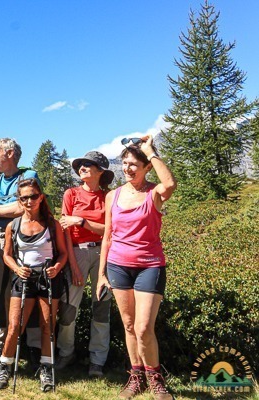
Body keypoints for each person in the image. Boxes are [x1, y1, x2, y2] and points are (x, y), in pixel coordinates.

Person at [97, 136, 176, 400]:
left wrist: (150, 151)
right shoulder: (112, 196)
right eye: (125, 163)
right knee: (129, 325)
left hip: (149, 266)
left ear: (146, 167)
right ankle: (136, 377)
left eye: (134, 164)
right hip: (118, 265)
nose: (129, 168)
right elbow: (107, 235)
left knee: (143, 328)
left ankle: (155, 378)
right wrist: (101, 275)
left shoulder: (154, 193)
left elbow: (171, 183)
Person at [0, 178, 68, 392]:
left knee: (48, 326)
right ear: (19, 199)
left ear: (41, 197)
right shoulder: (13, 225)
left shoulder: (52, 224)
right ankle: (4, 366)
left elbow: (62, 254)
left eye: (33, 196)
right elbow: (7, 255)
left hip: (48, 277)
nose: (29, 201)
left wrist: (57, 268)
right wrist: (16, 269)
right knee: (15, 325)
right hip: (23, 277)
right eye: (24, 197)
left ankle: (46, 368)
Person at [0, 138, 40, 362]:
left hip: (24, 241)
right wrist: (7, 209)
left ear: (10, 153)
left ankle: (32, 346)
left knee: (29, 291)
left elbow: (22, 206)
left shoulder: (29, 176)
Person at [56, 151, 115, 377]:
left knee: (101, 307)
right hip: (76, 253)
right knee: (68, 308)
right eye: (80, 165)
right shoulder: (71, 194)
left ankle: (97, 360)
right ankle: (66, 352)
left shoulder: (108, 197)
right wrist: (73, 264)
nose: (82, 168)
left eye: (88, 165)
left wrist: (82, 221)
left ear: (101, 172)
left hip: (104, 253)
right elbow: (65, 231)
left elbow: (110, 230)